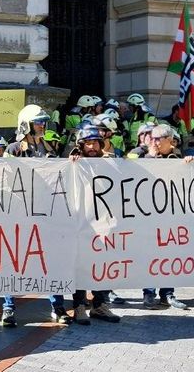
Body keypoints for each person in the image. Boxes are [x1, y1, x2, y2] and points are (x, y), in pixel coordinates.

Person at [68, 125, 122, 324]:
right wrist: (72, 162)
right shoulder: (74, 162)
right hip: (81, 223)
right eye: (87, 143)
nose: (91, 147)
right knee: (81, 265)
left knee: (102, 264)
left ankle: (100, 304)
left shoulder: (110, 162)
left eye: (95, 143)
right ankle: (79, 306)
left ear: (101, 144)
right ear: (81, 145)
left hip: (103, 222)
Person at [140, 123, 188, 311]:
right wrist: (151, 156)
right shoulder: (142, 155)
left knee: (170, 255)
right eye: (152, 138)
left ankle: (167, 293)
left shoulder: (180, 157)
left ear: (171, 141)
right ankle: (149, 294)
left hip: (172, 215)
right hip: (149, 216)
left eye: (158, 139)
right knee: (151, 256)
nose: (154, 142)